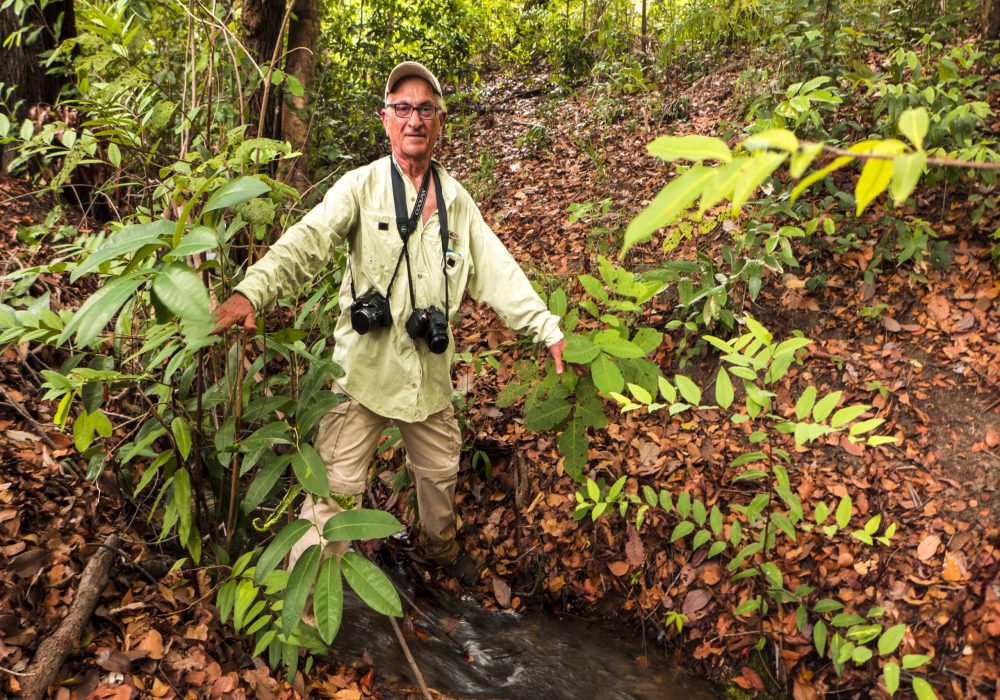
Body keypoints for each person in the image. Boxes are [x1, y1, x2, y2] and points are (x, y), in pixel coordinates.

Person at [213, 61, 566, 584]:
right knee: (332, 498)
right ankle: (307, 613)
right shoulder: (360, 188)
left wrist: (546, 328)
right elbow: (307, 241)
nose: (414, 119)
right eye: (403, 108)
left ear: (440, 121)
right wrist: (251, 291)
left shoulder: (456, 202)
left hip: (428, 380)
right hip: (362, 375)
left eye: (425, 109)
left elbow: (497, 269)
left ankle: (438, 552)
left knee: (440, 478)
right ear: (385, 119)